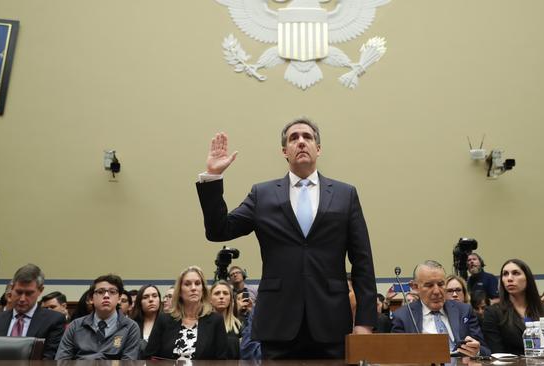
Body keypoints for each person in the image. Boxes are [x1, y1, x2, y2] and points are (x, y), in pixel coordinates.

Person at [195, 118, 377, 359]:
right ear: (284, 151)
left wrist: (364, 322)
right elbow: (219, 230)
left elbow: (362, 261)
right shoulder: (263, 194)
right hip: (279, 323)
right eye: (293, 138)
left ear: (318, 148)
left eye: (307, 137)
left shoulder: (345, 194)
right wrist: (213, 177)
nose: (300, 141)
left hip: (331, 321)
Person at [391, 260, 489, 357]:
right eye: (429, 285)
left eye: (441, 284)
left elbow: (486, 351)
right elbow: (396, 357)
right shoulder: (403, 316)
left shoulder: (464, 310)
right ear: (415, 287)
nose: (437, 291)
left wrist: (477, 351)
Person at [481, 259, 544, 355]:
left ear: (527, 278)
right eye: (505, 274)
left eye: (516, 273)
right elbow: (497, 355)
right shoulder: (493, 313)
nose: (509, 278)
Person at [0, 264, 65, 360]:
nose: (22, 299)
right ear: (11, 288)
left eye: (29, 293)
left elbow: (48, 359)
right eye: (19, 292)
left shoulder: (53, 320)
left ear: (40, 290)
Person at [144, 266, 227, 360]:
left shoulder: (216, 320)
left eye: (197, 283)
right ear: (179, 291)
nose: (193, 288)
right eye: (187, 284)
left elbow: (221, 360)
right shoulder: (163, 319)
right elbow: (149, 357)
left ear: (203, 289)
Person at [55, 274, 140, 360]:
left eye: (112, 292)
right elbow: (62, 360)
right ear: (91, 299)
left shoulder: (130, 327)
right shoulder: (75, 326)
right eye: (100, 292)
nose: (106, 295)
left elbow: (128, 362)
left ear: (119, 299)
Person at [210, 280, 242, 359]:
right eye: (217, 293)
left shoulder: (239, 325)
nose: (221, 296)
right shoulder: (202, 324)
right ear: (210, 299)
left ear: (230, 299)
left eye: (225, 293)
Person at [131, 284, 162, 350]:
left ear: (159, 299)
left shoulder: (168, 323)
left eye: (154, 296)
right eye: (145, 297)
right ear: (140, 302)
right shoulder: (132, 324)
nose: (151, 300)